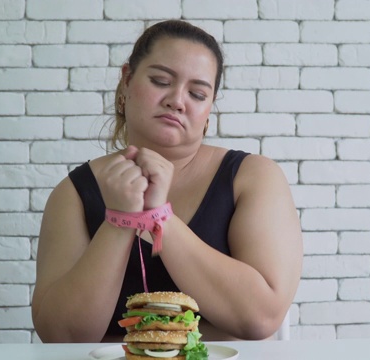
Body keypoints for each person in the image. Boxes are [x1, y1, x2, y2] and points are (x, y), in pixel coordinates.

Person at [31, 19, 303, 343]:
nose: (178, 100)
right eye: (161, 80)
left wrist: (160, 218)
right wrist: (121, 220)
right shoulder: (75, 192)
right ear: (127, 80)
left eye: (198, 93)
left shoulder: (253, 177)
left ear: (209, 109)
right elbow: (61, 335)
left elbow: (260, 317)